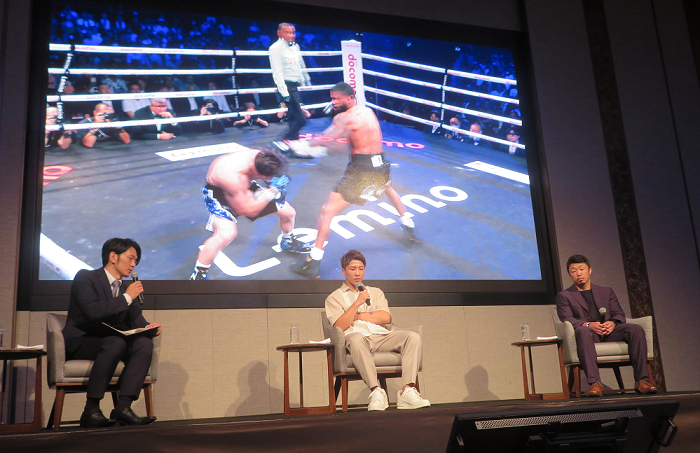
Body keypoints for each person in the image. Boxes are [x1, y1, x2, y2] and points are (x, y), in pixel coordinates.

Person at [290, 82, 418, 279]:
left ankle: (313, 263)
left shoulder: (345, 117)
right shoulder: (368, 112)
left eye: (336, 98)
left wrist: (300, 145)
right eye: (331, 98)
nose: (333, 102)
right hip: (379, 163)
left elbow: (326, 140)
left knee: (327, 211)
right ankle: (408, 223)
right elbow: (339, 146)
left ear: (350, 98)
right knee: (387, 187)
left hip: (361, 169)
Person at [63, 238, 162, 427]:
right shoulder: (86, 278)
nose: (133, 264)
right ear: (113, 257)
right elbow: (93, 311)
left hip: (114, 343)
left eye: (136, 261)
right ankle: (91, 409)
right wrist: (127, 297)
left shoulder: (126, 289)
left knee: (143, 344)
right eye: (131, 258)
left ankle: (123, 407)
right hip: (83, 341)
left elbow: (136, 320)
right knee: (115, 342)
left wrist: (150, 328)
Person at [325, 249, 430, 411]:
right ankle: (376, 391)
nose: (357, 273)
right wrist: (357, 303)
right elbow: (339, 326)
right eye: (353, 269)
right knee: (356, 338)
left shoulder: (375, 292)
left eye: (361, 268)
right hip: (356, 338)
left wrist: (357, 316)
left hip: (380, 336)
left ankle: (407, 391)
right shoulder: (334, 297)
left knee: (412, 337)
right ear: (344, 271)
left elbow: (385, 317)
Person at [190, 149, 310, 280]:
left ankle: (287, 241)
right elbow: (248, 211)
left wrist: (273, 181)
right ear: (256, 172)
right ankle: (199, 273)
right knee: (226, 234)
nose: (268, 179)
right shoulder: (233, 178)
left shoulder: (262, 157)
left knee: (288, 213)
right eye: (265, 177)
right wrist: (272, 190)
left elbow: (275, 170)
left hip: (243, 186)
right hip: (220, 193)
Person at [555, 255, 657, 396]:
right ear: (569, 274)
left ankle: (642, 381)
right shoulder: (565, 296)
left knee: (636, 329)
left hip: (610, 332)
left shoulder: (606, 291)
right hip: (588, 334)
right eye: (573, 271)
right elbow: (566, 318)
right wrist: (588, 325)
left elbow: (619, 314)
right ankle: (595, 384)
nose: (578, 273)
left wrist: (613, 323)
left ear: (589, 270)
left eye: (581, 269)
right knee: (582, 331)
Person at [268, 22, 310, 141]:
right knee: (301, 119)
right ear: (279, 33)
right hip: (286, 85)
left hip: (295, 84)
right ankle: (287, 137)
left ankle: (293, 140)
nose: (291, 35)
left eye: (292, 32)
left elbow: (300, 64)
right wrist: (284, 93)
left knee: (292, 116)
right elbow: (277, 72)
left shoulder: (295, 46)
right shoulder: (276, 48)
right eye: (287, 32)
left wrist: (306, 80)